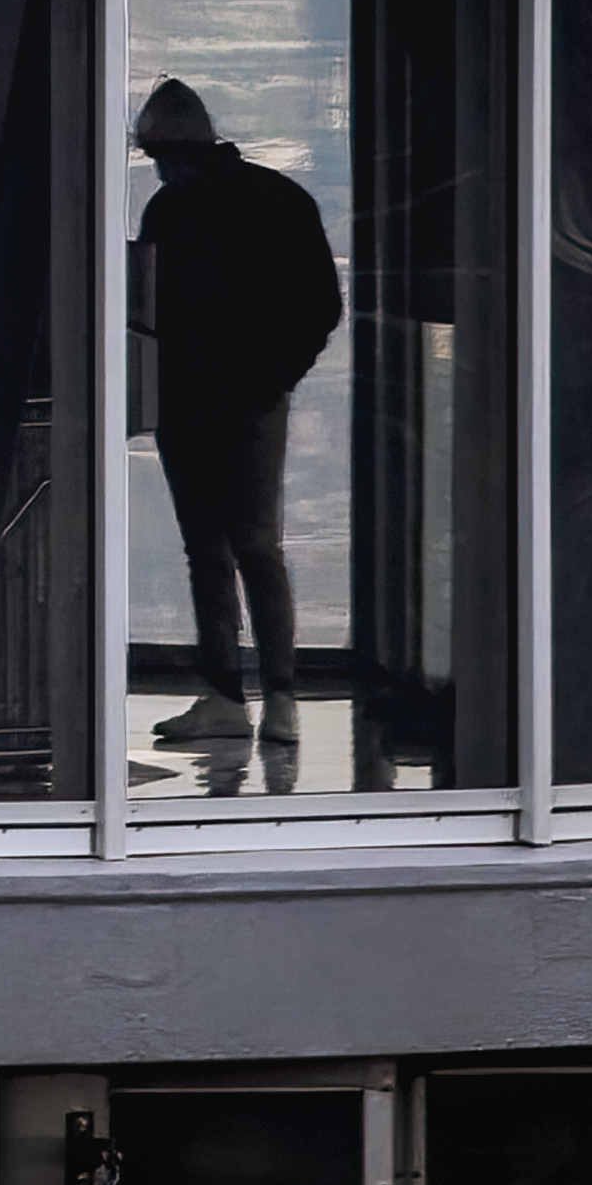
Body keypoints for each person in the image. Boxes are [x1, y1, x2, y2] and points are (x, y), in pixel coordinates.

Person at [132, 78, 343, 757]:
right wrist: (273, 378)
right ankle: (278, 699)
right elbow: (320, 304)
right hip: (250, 401)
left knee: (210, 550)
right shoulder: (278, 199)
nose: (159, 167)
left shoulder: (168, 210)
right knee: (257, 545)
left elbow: (147, 316)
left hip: (188, 401)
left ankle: (225, 696)